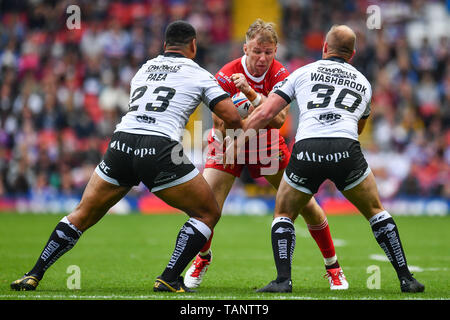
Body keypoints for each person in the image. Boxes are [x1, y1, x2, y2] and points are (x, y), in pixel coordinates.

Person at [10, 21, 243, 293]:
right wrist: (242, 106)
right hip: (160, 147)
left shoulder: (144, 69)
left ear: (164, 45)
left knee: (82, 214)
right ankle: (169, 277)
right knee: (207, 212)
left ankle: (34, 273)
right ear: (193, 46)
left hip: (121, 142)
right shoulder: (200, 74)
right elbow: (230, 116)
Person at [226, 25, 425, 293]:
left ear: (324, 48)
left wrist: (238, 142)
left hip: (308, 148)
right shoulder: (364, 82)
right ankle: (406, 278)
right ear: (352, 54)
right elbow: (359, 128)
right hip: (346, 147)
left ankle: (283, 280)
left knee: (284, 212)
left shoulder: (303, 72)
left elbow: (265, 114)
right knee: (376, 211)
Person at [184, 19, 348, 291]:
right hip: (230, 142)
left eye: (268, 52)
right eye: (257, 51)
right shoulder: (226, 73)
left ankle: (333, 268)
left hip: (266, 143)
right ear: (245, 48)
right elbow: (218, 123)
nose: (262, 58)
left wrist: (249, 94)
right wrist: (236, 131)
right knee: (205, 206)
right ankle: (202, 259)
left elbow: (279, 119)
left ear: (276, 51)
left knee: (305, 204)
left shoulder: (280, 73)